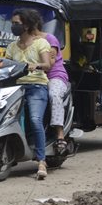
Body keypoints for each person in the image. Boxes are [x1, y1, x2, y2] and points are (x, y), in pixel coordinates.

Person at [4, 9, 53, 180]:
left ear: (26, 25)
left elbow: (47, 65)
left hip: (36, 86)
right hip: (16, 88)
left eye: (16, 23)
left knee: (34, 119)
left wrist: (36, 65)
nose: (13, 26)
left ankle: (41, 160)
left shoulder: (40, 44)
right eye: (13, 23)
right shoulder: (11, 47)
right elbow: (5, 63)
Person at [33, 17, 70, 155]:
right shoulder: (23, 42)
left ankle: (60, 134)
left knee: (53, 94)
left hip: (54, 76)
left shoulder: (50, 39)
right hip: (34, 77)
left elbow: (50, 63)